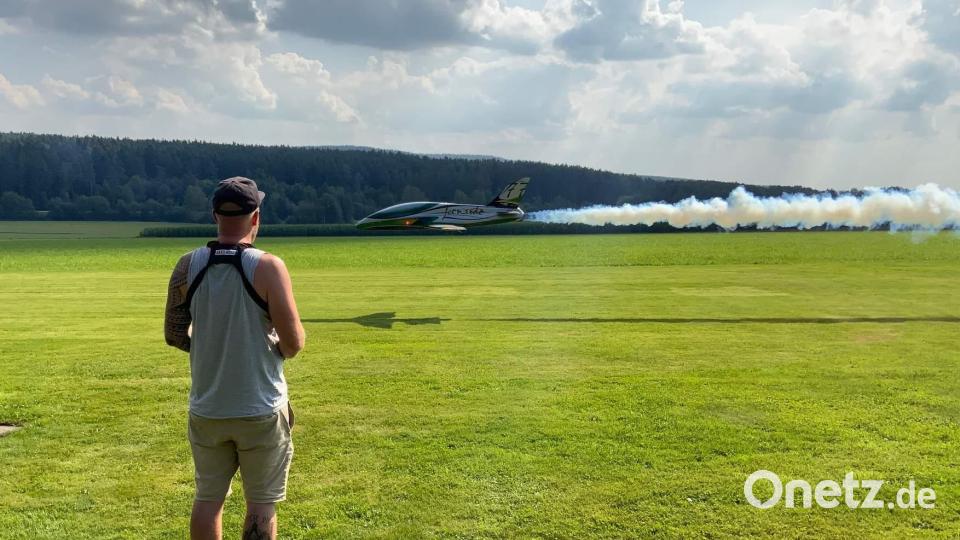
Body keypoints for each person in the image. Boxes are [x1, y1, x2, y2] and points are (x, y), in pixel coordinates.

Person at [164, 176, 305, 540]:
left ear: (215, 215)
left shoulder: (186, 265)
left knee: (207, 500)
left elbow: (175, 334)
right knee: (261, 505)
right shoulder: (269, 267)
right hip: (260, 406)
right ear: (255, 217)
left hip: (207, 408)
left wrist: (212, 344)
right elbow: (294, 343)